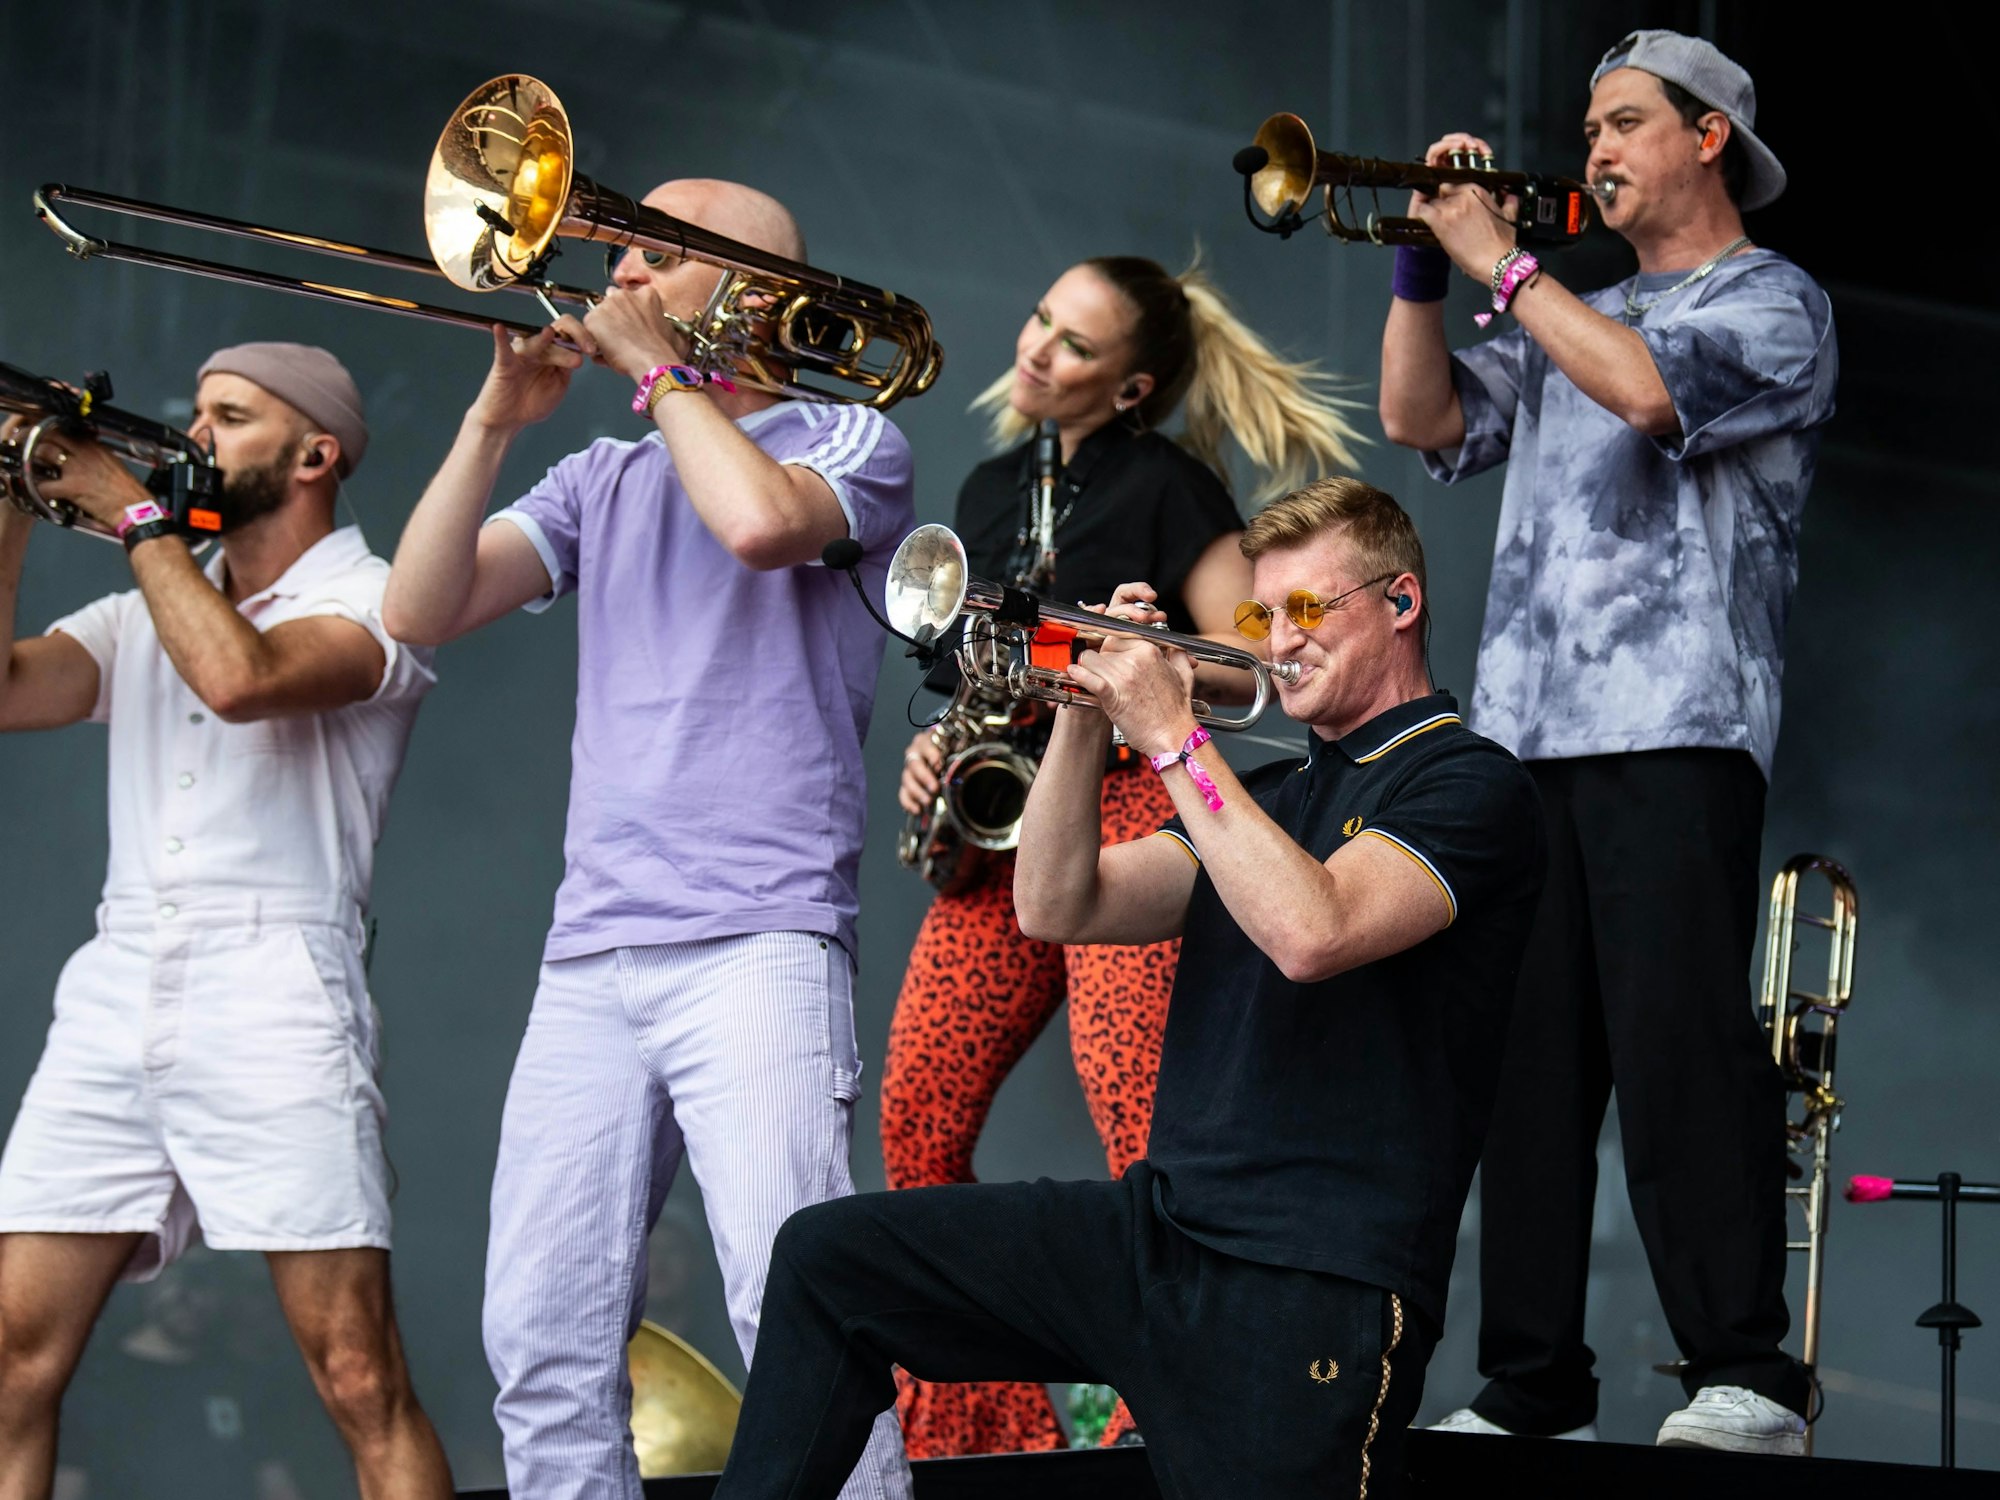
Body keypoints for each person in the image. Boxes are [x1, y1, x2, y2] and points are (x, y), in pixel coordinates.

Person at [708, 478, 1546, 1500]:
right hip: (1160, 1234)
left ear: (1401, 601)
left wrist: (1172, 738)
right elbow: (1057, 903)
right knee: (827, 1259)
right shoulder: (1267, 795)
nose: (1281, 639)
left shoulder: (1468, 782)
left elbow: (1312, 931)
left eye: (1307, 608)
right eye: (1261, 616)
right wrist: (1083, 711)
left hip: (1309, 1282)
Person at [381, 179, 915, 1500]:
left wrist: (664, 374)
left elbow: (759, 526)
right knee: (540, 1339)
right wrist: (492, 421)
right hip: (593, 953)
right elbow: (417, 608)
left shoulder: (852, 438)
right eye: (620, 249)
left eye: (654, 254)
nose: (615, 272)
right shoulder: (601, 475)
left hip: (760, 941)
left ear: (758, 293)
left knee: (797, 1321)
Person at [1376, 29, 1837, 1453]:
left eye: (1624, 121)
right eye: (1587, 128)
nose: (1593, 149)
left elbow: (1648, 392)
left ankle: (1747, 1373)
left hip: (1676, 725)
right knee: (1526, 1070)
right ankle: (1532, 1385)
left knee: (1676, 1046)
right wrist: (1421, 267)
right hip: (1525, 734)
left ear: (1708, 137)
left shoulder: (1774, 301)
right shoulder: (1572, 309)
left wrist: (1506, 267)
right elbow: (1419, 418)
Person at [883, 255, 1364, 1456]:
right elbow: (966, 675)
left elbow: (1254, 666)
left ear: (1133, 386)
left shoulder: (1167, 485)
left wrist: (1115, 654)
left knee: (1141, 1130)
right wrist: (935, 749)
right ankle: (986, 1441)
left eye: (1075, 343)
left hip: (1127, 815)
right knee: (915, 1118)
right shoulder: (990, 486)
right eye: (1040, 318)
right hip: (1003, 828)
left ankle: (1162, 1423)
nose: (1035, 346)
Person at [0, 343, 448, 1499]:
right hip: (117, 981)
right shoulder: (143, 604)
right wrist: (12, 499)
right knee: (10, 1363)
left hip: (275, 986)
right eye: (197, 411)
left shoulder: (376, 599)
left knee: (357, 1375)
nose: (196, 433)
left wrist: (130, 508)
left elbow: (241, 678)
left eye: (232, 415)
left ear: (315, 455)